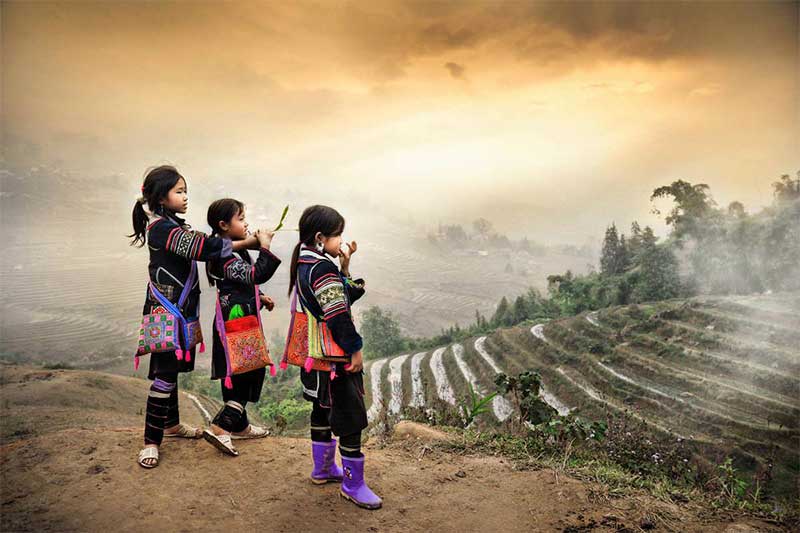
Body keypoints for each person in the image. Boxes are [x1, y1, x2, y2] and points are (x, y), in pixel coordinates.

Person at [129, 166, 258, 468]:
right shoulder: (162, 228)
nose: (185, 197)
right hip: (166, 311)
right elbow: (203, 247)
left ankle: (171, 426)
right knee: (163, 377)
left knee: (170, 371)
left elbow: (202, 244)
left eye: (185, 190)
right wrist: (249, 244)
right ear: (161, 197)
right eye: (179, 191)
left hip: (180, 309)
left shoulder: (173, 224)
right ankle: (150, 442)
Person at [287, 204, 381, 509]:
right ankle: (353, 484)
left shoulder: (304, 263)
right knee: (351, 417)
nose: (341, 240)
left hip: (313, 360)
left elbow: (340, 293)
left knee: (321, 409)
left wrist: (344, 265)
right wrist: (355, 348)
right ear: (319, 237)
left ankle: (323, 469)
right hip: (334, 359)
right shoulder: (320, 268)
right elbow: (339, 314)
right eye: (337, 235)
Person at [203, 198, 281, 456]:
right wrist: (266, 247)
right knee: (248, 372)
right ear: (224, 225)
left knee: (242, 372)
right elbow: (253, 275)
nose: (246, 222)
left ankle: (241, 426)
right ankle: (221, 426)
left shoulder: (232, 252)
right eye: (241, 218)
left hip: (239, 321)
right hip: (234, 326)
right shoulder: (222, 257)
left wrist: (260, 297)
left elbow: (240, 286)